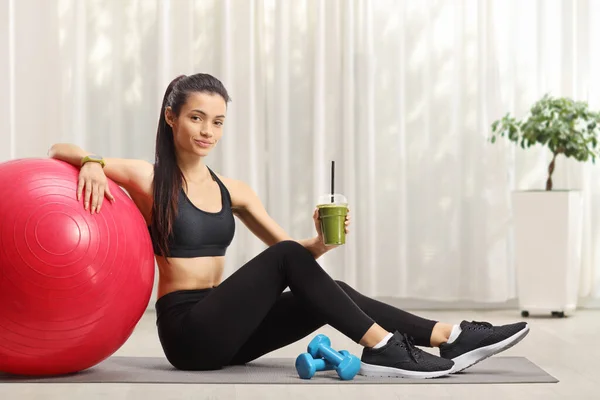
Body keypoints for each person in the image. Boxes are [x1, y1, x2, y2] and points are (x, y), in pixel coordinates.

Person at [48, 73, 529, 379]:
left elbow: (293, 258)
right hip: (188, 333)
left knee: (328, 283)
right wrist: (92, 162)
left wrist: (319, 242)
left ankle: (449, 336)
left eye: (216, 122)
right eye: (195, 117)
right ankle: (383, 347)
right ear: (171, 117)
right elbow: (57, 151)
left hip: (234, 332)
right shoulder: (149, 177)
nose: (206, 131)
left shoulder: (234, 189)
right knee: (288, 259)